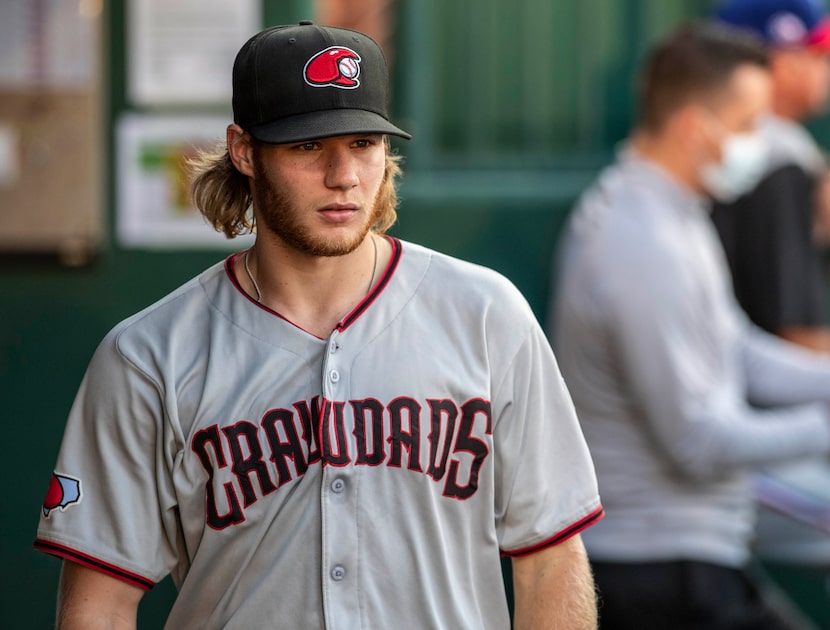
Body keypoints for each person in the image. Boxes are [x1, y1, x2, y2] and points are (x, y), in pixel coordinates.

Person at [34, 22, 603, 629]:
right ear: (244, 150)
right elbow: (100, 607)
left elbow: (549, 562)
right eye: (308, 146)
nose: (344, 175)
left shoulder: (488, 316)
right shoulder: (147, 357)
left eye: (363, 143)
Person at [550, 21, 830, 629]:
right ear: (696, 129)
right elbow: (698, 442)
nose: (764, 141)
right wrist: (820, 426)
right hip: (660, 574)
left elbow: (738, 349)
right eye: (751, 123)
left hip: (698, 558)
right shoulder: (640, 240)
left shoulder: (677, 210)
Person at [712, 0, 830, 351]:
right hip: (753, 390)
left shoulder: (765, 148)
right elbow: (797, 336)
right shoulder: (775, 159)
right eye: (819, 53)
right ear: (782, 63)